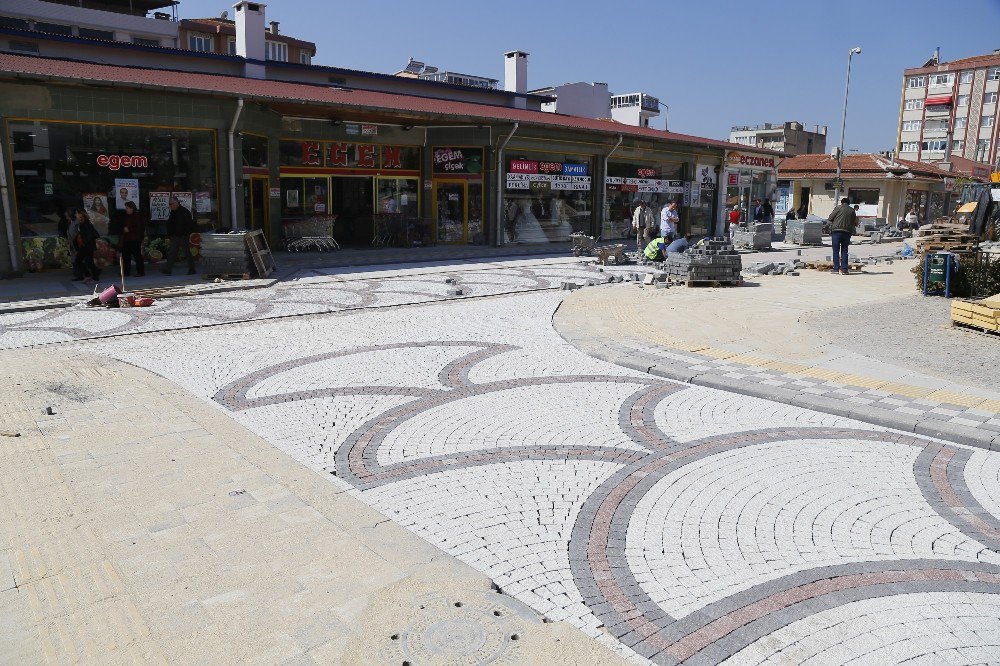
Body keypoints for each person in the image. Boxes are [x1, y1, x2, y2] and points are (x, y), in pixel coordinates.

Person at [162, 196, 197, 275]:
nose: (170, 205)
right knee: (172, 252)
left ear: (176, 203)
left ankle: (192, 268)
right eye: (169, 204)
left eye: (171, 204)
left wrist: (186, 233)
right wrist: (170, 234)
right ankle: (168, 269)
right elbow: (170, 224)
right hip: (175, 236)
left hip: (183, 236)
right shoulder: (173, 212)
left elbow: (189, 224)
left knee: (187, 252)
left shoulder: (184, 212)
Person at [827, 197, 858, 275]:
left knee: (836, 250)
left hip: (836, 231)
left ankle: (836, 269)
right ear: (849, 203)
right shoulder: (852, 210)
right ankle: (844, 270)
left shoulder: (838, 208)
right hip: (847, 232)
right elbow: (855, 222)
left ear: (842, 202)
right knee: (844, 250)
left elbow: (830, 218)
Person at [70, 209, 100, 283]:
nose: (75, 215)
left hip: (87, 246)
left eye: (77, 213)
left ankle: (94, 277)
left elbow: (89, 235)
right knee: (87, 261)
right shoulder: (81, 222)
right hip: (84, 246)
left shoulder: (86, 223)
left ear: (81, 214)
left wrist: (84, 243)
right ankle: (89, 276)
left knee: (82, 261)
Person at [120, 201, 146, 277]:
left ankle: (140, 272)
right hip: (127, 239)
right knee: (126, 256)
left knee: (137, 256)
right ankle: (126, 272)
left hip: (135, 239)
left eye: (127, 208)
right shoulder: (126, 216)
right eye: (126, 208)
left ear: (132, 208)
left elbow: (140, 228)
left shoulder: (137, 216)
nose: (126, 209)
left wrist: (129, 229)